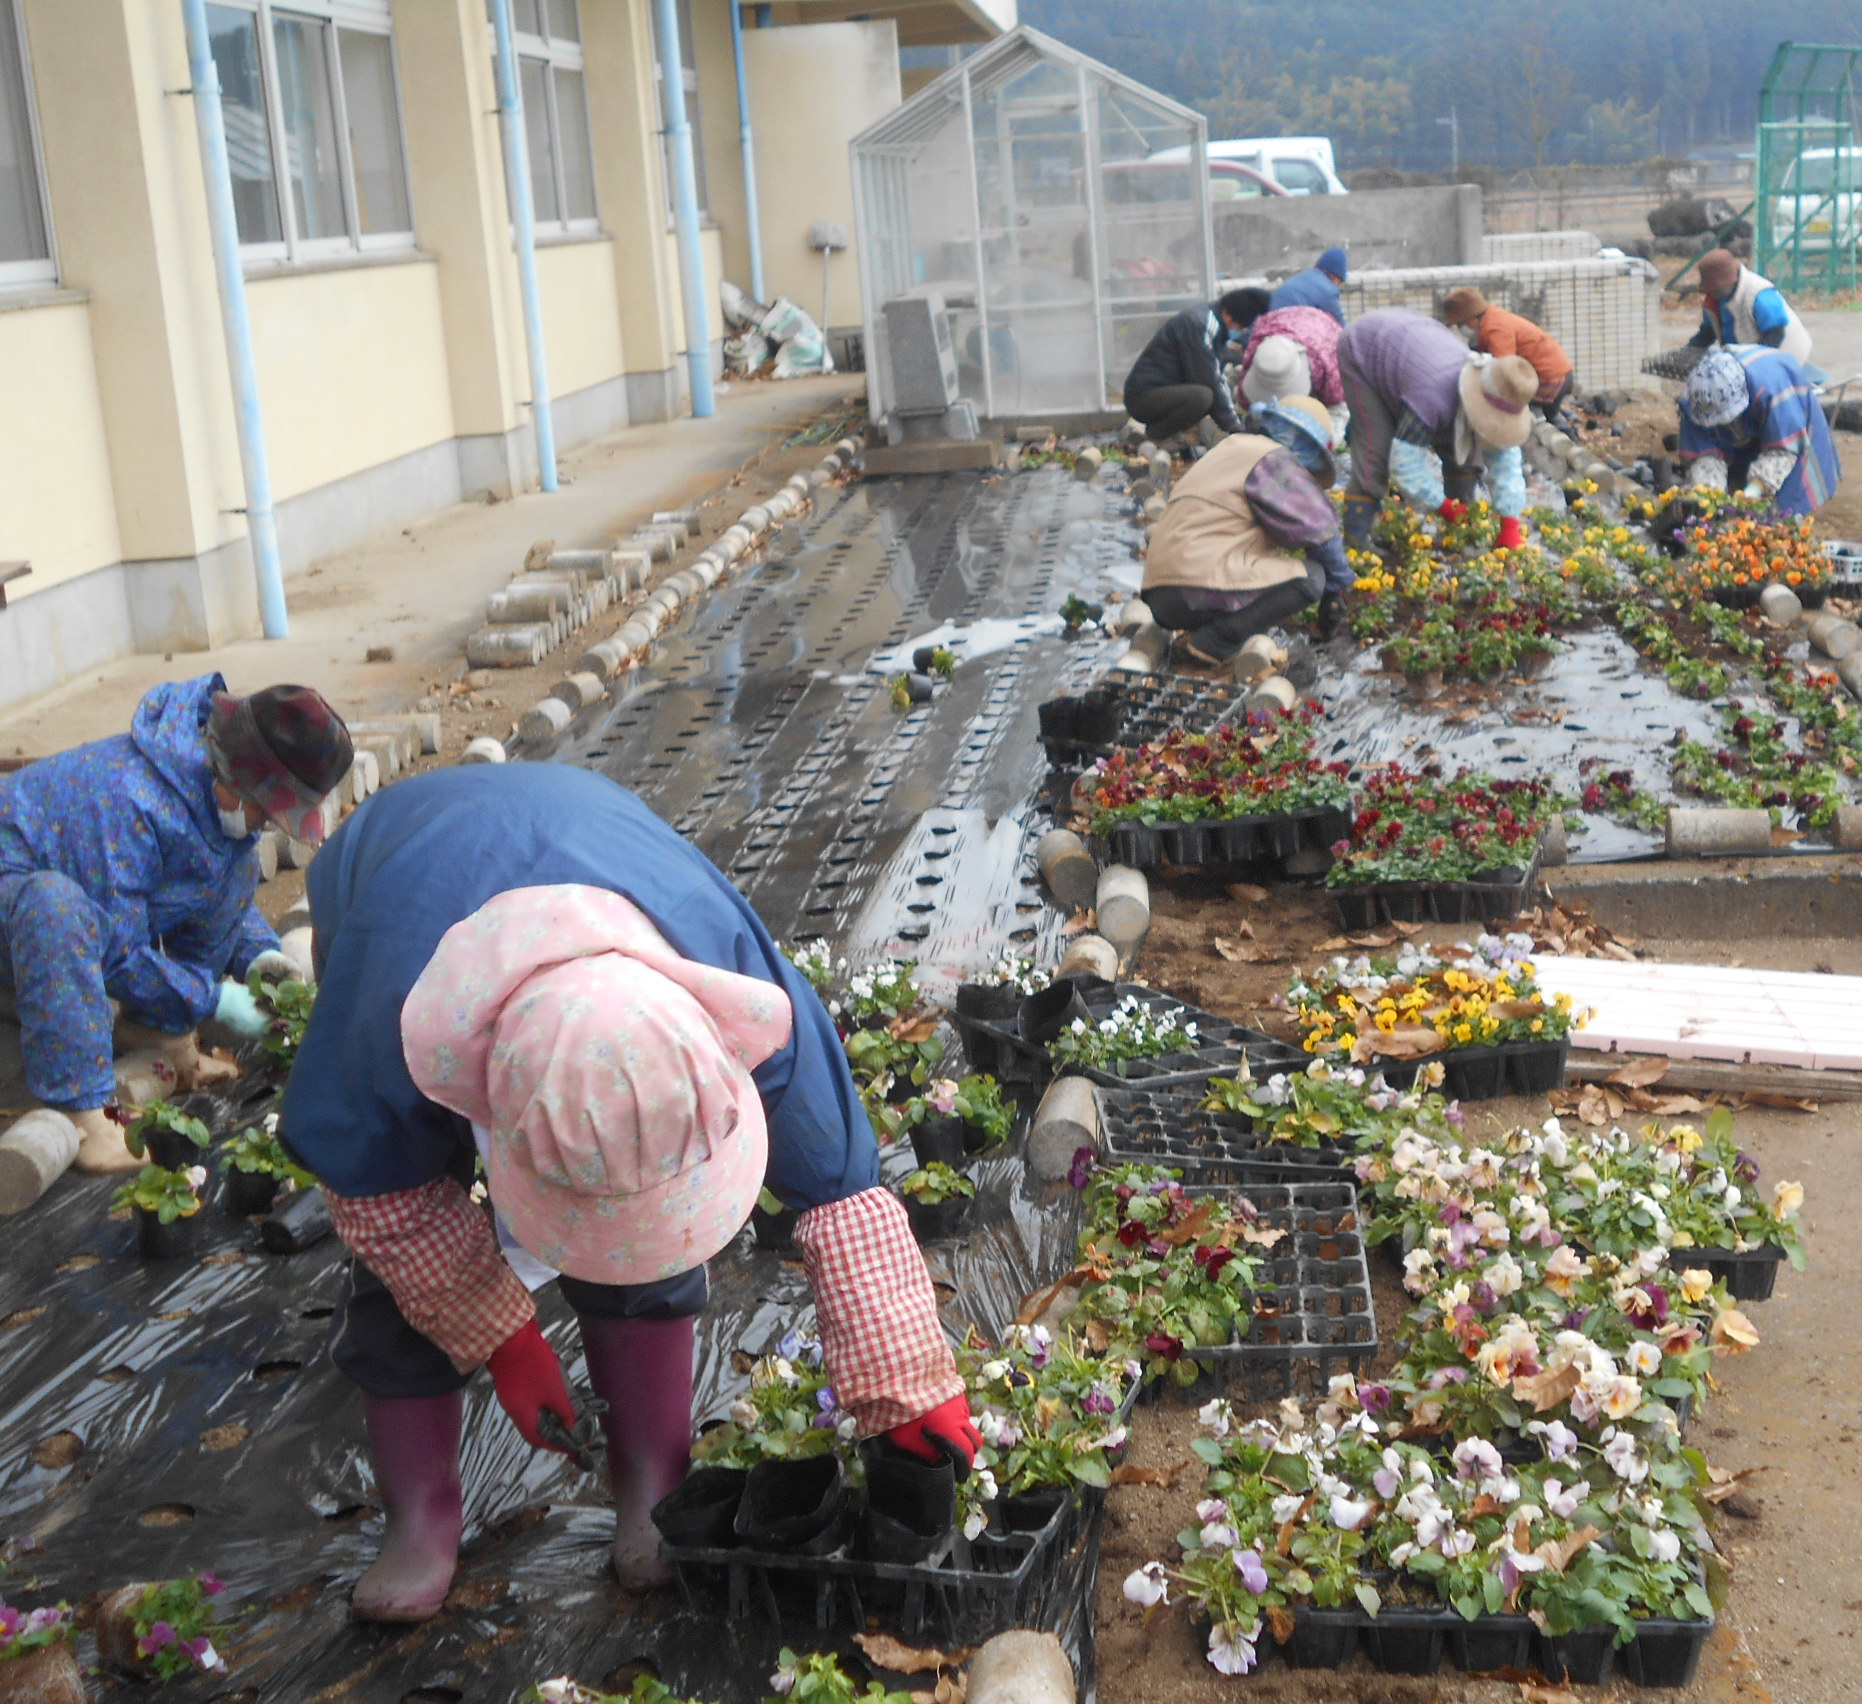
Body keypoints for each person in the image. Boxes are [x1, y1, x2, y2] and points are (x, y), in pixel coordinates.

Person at [281, 762, 977, 1620]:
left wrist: (905, 1375)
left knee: (642, 1248)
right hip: (403, 875)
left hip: (592, 843)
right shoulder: (381, 1021)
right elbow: (384, 1195)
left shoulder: (726, 969)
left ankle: (651, 1478)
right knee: (402, 1288)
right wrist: (500, 1335)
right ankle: (421, 1518)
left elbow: (839, 1188)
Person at [0, 677, 351, 1173]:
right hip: (14, 920)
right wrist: (213, 999)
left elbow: (207, 877)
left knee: (235, 861)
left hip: (67, 919)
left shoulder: (206, 792)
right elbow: (118, 953)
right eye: (268, 811)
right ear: (236, 782)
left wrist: (259, 956)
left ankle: (167, 1039)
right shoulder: (125, 800)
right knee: (55, 908)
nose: (269, 823)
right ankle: (87, 1116)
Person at [1143, 395, 1353, 664]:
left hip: (1161, 592)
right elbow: (1321, 531)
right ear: (1303, 444)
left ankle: (1208, 634)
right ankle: (1215, 642)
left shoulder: (1233, 449)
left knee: (1264, 572)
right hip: (1193, 588)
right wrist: (1337, 590)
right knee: (1311, 578)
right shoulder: (1272, 458)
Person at [1338, 308, 1537, 554]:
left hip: (1419, 345)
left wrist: (1510, 523)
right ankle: (1356, 546)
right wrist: (1443, 507)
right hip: (1365, 348)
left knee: (1462, 442)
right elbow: (1405, 465)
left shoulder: (1501, 387)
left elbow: (1505, 460)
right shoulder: (1431, 397)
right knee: (1375, 449)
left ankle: (1461, 524)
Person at [1677, 344, 1841, 514]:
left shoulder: (1771, 386)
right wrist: (1711, 499)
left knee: (1784, 504)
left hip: (1790, 425)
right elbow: (1704, 456)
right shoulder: (1694, 401)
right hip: (1746, 430)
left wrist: (1754, 490)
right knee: (1729, 502)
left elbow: (1783, 451)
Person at [1122, 287, 1272, 442]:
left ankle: (1168, 436)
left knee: (1206, 394)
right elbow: (1210, 379)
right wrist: (1235, 428)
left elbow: (1216, 362)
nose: (1237, 331)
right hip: (1143, 398)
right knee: (1202, 396)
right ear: (1227, 314)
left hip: (1155, 393)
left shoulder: (1210, 320)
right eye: (1237, 326)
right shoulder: (1201, 325)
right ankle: (1155, 437)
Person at [1438, 286, 1575, 418]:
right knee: (1546, 414)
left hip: (1550, 380)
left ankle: (1561, 428)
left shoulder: (1496, 329)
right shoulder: (1492, 317)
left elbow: (1504, 371)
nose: (1461, 329)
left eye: (1460, 324)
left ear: (1473, 318)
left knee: (1521, 413)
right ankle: (1559, 419)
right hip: (1556, 375)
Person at [1235, 303, 1346, 440]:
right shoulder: (1258, 353)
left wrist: (1326, 443)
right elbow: (1246, 405)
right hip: (1280, 322)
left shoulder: (1327, 360)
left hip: (1319, 330)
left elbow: (1338, 408)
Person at [1685, 248, 1813, 368]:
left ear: (1731, 281)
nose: (1711, 293)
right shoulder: (1714, 300)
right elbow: (1707, 333)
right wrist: (1689, 352)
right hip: (1745, 357)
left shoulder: (1758, 294)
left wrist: (1752, 363)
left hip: (1787, 353)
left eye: (1715, 288)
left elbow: (1775, 334)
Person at [1268, 247, 1349, 323]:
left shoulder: (1303, 276)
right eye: (1340, 282)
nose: (1338, 287)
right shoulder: (1328, 291)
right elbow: (1340, 326)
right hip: (1290, 327)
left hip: (1269, 322)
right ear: (1335, 277)